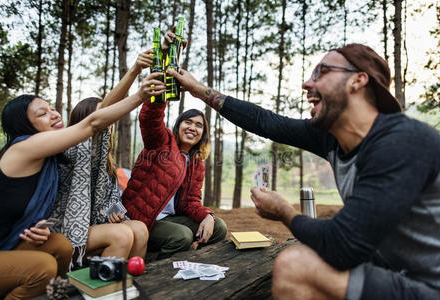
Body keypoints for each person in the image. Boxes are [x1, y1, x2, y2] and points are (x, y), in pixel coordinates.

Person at [168, 43, 440, 299]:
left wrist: (284, 211)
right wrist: (198, 89)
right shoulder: (332, 137)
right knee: (308, 252)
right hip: (388, 268)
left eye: (321, 72)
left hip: (427, 286)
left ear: (358, 80)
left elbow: (343, 245)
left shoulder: (401, 143)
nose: (307, 83)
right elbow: (266, 122)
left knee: (295, 265)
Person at [0, 71, 165, 299]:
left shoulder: (51, 159)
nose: (53, 114)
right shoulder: (28, 148)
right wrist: (139, 93)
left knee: (63, 246)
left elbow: (112, 197)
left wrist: (36, 225)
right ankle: (99, 291)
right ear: (25, 126)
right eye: (42, 114)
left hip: (13, 240)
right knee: (45, 265)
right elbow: (94, 121)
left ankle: (104, 290)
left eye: (52, 108)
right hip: (14, 243)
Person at [49, 52, 152, 267]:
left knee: (139, 229)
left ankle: (128, 280)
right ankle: (102, 288)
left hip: (95, 224)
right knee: (122, 234)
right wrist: (134, 71)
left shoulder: (107, 162)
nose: (111, 122)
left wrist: (114, 212)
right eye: (107, 117)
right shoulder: (69, 149)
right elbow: (102, 113)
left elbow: (112, 200)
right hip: (67, 227)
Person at [122, 101, 227, 259]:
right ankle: (155, 265)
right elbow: (150, 119)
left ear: (203, 134)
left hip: (169, 219)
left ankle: (192, 261)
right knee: (181, 236)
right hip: (144, 218)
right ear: (178, 126)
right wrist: (160, 95)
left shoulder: (197, 164)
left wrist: (209, 216)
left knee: (219, 227)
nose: (192, 127)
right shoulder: (161, 143)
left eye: (199, 125)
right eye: (188, 122)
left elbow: (191, 202)